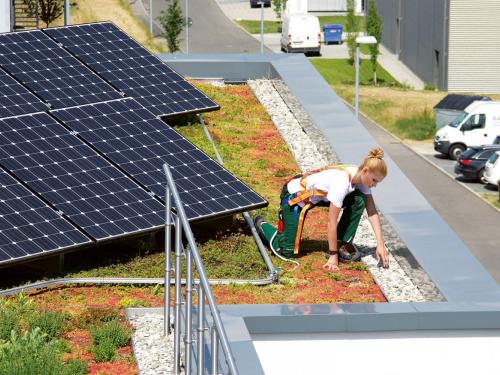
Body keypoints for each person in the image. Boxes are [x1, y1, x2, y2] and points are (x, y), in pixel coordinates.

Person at [255, 147, 390, 271]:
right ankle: (262, 224)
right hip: (294, 197)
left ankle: (341, 244)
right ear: (365, 171)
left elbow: (371, 211)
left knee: (359, 200)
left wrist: (380, 244)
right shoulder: (341, 183)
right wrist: (332, 256)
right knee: (285, 251)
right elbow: (331, 221)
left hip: (318, 196)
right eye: (374, 180)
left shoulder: (361, 176)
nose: (375, 185)